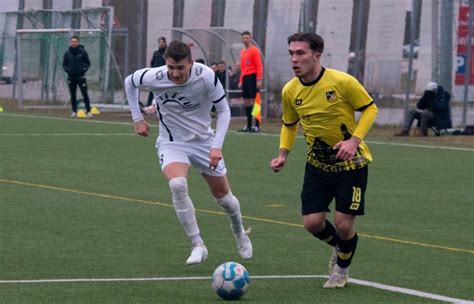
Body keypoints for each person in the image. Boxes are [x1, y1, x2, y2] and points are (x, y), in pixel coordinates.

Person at [124, 40, 253, 266]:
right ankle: (198, 244)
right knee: (177, 185)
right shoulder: (155, 75)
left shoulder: (206, 76)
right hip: (171, 142)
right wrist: (137, 118)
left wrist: (216, 146)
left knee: (225, 200)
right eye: (171, 68)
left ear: (191, 63)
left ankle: (239, 231)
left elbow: (223, 110)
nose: (175, 73)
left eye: (180, 68)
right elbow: (129, 82)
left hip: (204, 142)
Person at [270, 32, 378, 289]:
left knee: (343, 223)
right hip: (317, 165)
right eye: (291, 54)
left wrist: (354, 141)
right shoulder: (290, 90)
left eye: (300, 53)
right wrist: (283, 153)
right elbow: (289, 124)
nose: (294, 59)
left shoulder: (342, 81)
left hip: (351, 165)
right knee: (312, 222)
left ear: (316, 56)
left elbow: (370, 109)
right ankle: (344, 248)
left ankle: (342, 267)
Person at [238, 31, 263, 133]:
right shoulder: (242, 51)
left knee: (255, 101)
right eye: (243, 38)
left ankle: (256, 125)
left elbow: (259, 65)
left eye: (247, 38)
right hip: (245, 78)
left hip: (253, 77)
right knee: (246, 101)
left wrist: (259, 79)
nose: (245, 40)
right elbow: (243, 67)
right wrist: (241, 80)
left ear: (250, 38)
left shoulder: (254, 50)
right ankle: (248, 125)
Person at [62, 35, 92, 118]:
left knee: (85, 94)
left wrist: (83, 70)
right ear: (70, 42)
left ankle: (88, 111)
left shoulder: (82, 52)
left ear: (78, 42)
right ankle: (74, 111)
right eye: (72, 41)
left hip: (81, 77)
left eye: (75, 41)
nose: (74, 43)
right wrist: (68, 70)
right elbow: (64, 64)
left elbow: (88, 63)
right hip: (71, 77)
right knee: (73, 95)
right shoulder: (67, 53)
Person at [147, 37, 167, 106]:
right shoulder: (156, 53)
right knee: (152, 91)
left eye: (162, 42)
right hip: (155, 75)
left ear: (165, 43)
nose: (161, 44)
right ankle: (148, 106)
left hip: (164, 76)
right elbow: (152, 63)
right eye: (160, 42)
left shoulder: (167, 53)